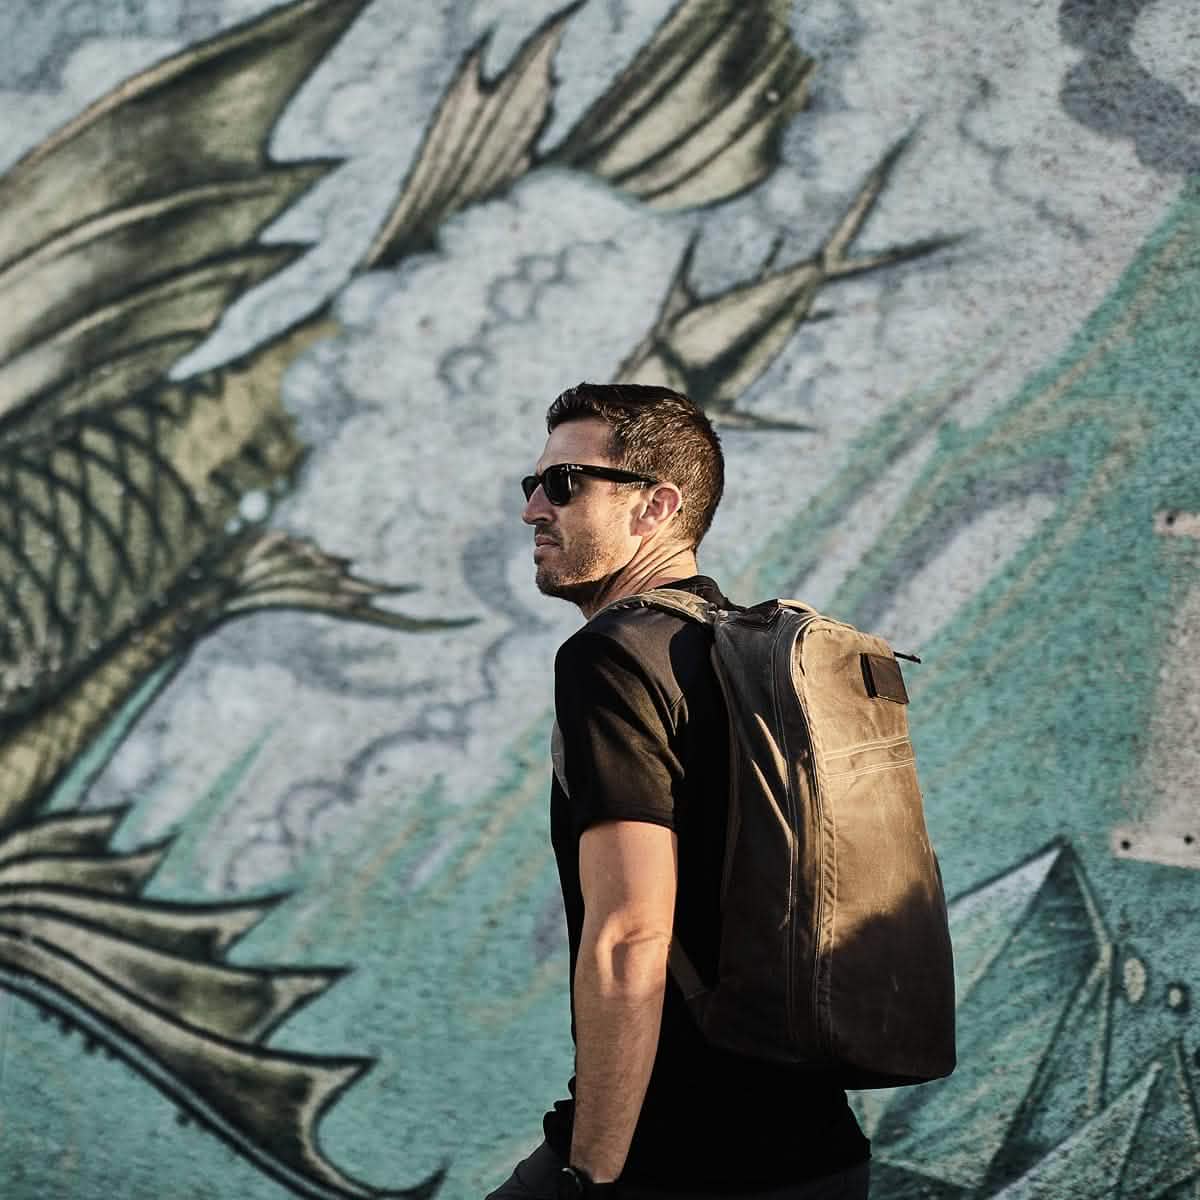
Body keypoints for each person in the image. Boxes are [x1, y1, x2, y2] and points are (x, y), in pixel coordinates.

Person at [488, 383, 871, 1200]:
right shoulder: (751, 659)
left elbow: (630, 935)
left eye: (564, 484)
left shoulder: (614, 658)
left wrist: (591, 1175)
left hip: (683, 1156)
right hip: (817, 1150)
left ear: (654, 507)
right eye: (532, 484)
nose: (531, 510)